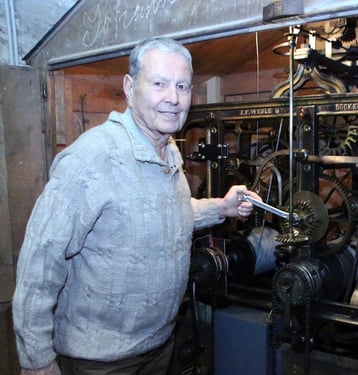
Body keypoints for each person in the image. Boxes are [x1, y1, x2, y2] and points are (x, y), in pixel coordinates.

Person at [12, 37, 261, 375]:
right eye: (159, 84)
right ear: (130, 87)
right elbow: (40, 262)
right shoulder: (92, 159)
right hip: (99, 360)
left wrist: (222, 207)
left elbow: (165, 212)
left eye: (182, 87)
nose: (173, 99)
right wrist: (37, 360)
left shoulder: (168, 148)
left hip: (158, 345)